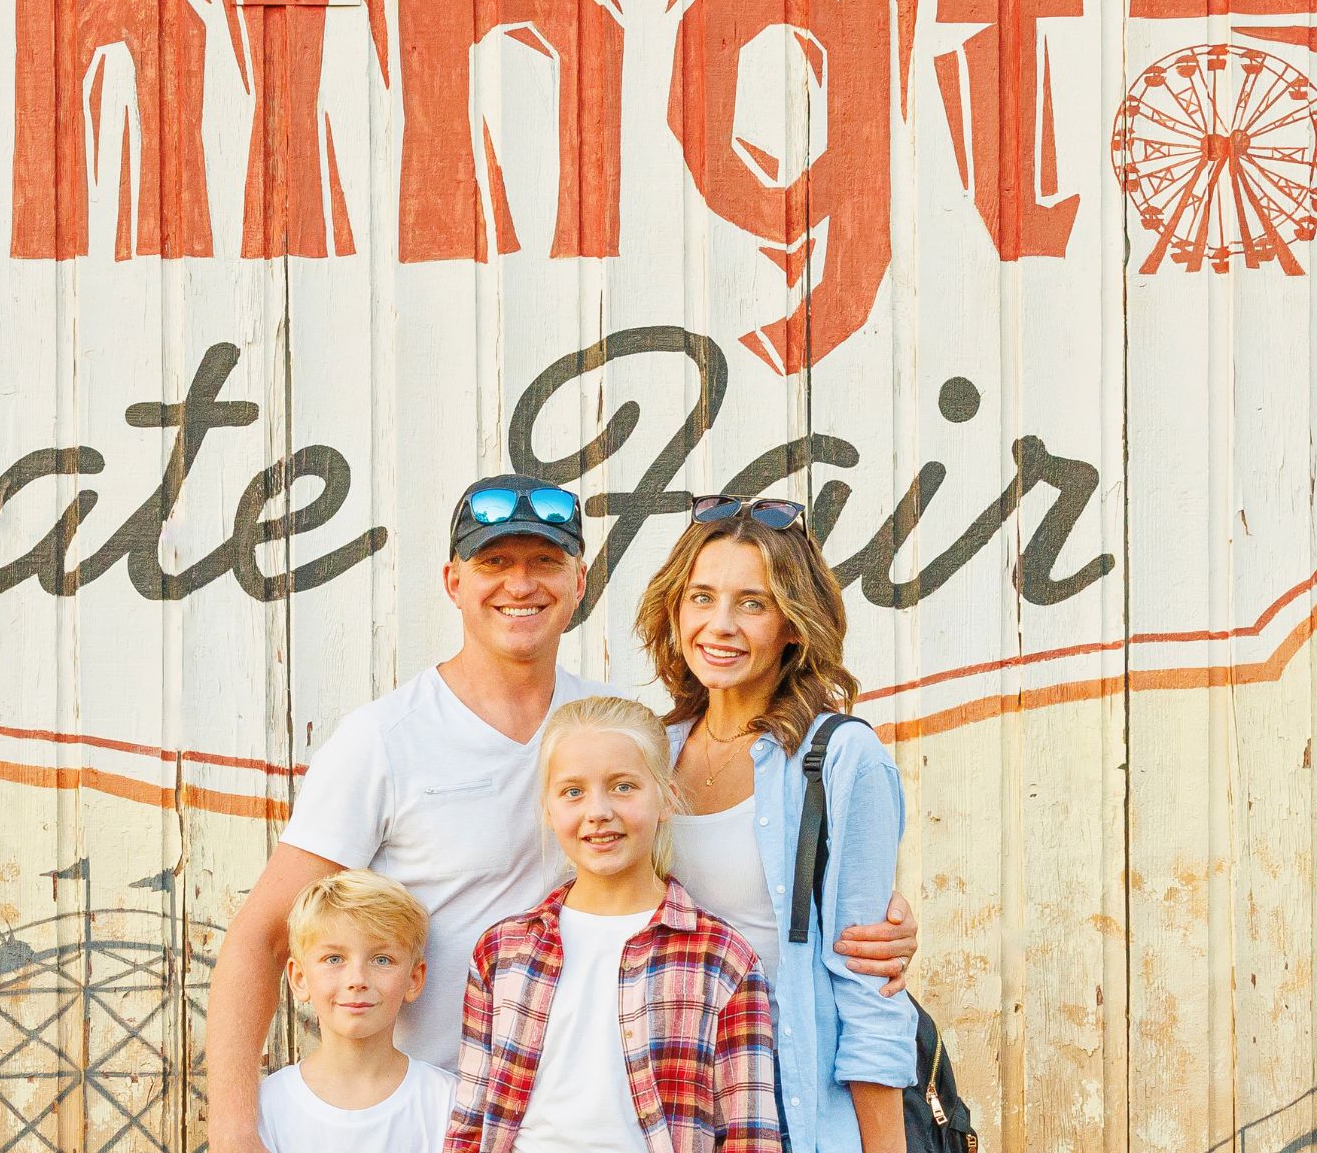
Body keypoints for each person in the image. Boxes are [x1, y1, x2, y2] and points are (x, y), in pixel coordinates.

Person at [203, 474, 924, 1153]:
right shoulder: (385, 740)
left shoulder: (617, 731)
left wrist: (875, 926)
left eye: (545, 562)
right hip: (457, 1110)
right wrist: (234, 1133)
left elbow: (809, 933)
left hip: (673, 1103)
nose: (520, 584)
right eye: (494, 563)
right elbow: (261, 935)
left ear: (579, 583)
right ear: (453, 583)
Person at [650, 496, 916, 1151]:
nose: (720, 625)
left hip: (784, 1112)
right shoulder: (650, 750)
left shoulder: (839, 758)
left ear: (793, 625)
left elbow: (869, 983)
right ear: (676, 609)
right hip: (665, 1103)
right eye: (702, 597)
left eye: (753, 603)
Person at [444, 695, 780, 1153]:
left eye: (623, 786)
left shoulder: (723, 959)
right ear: (548, 810)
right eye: (573, 792)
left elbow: (749, 1137)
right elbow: (469, 1124)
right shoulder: (502, 951)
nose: (598, 811)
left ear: (666, 797)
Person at [254, 870, 456, 1153]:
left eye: (381, 959)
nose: (357, 980)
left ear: (414, 978)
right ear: (299, 978)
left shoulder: (448, 1103)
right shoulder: (267, 1107)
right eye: (334, 959)